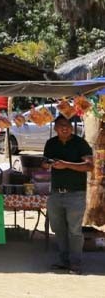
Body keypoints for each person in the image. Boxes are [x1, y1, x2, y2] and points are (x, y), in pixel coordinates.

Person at [42, 116, 93, 275]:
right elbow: (44, 162)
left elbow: (89, 166)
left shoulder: (80, 143)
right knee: (59, 229)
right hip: (56, 193)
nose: (65, 128)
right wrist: (48, 164)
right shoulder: (51, 143)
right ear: (55, 128)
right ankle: (64, 261)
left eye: (68, 125)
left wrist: (66, 165)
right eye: (61, 125)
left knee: (75, 230)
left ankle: (75, 263)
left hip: (75, 194)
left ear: (71, 127)